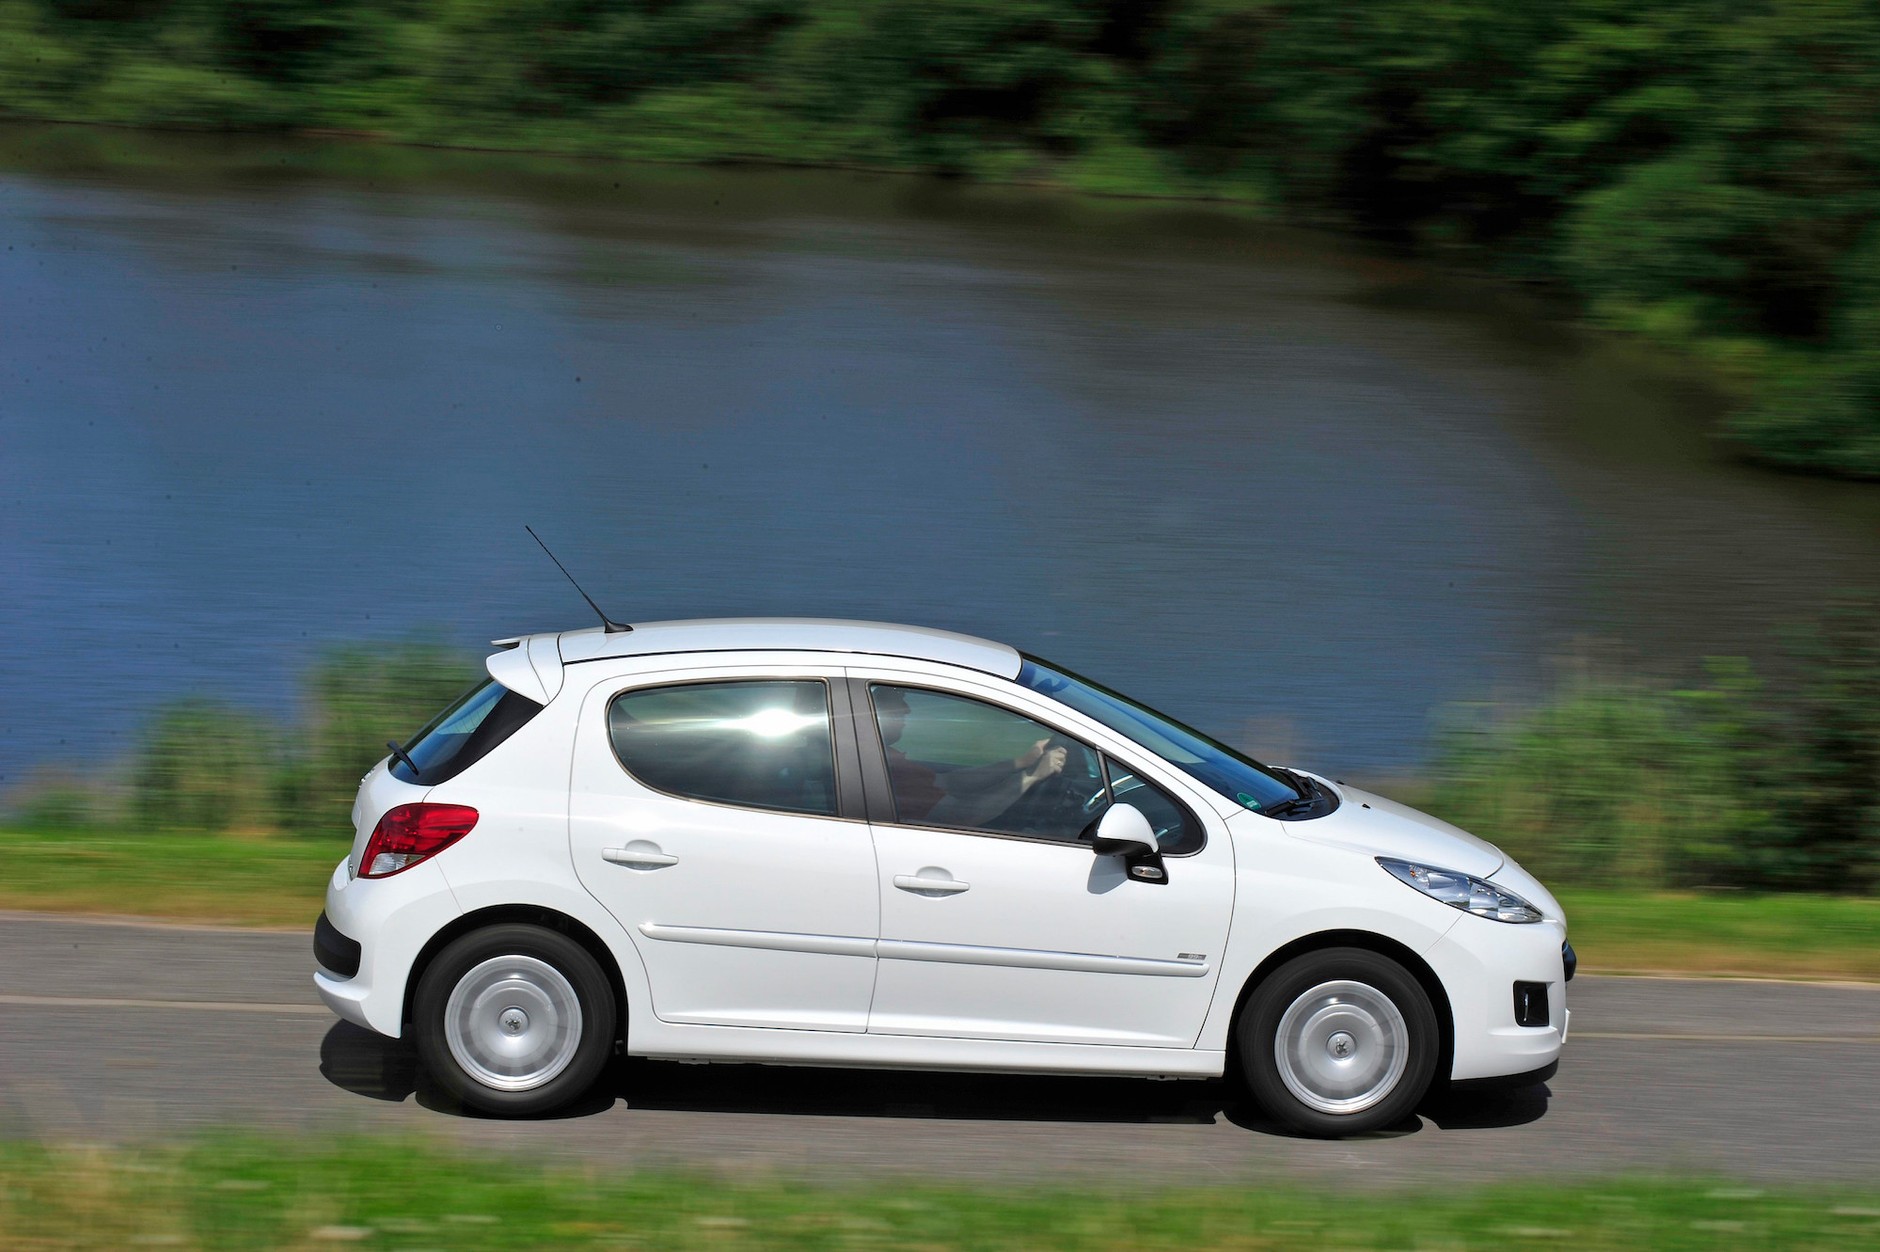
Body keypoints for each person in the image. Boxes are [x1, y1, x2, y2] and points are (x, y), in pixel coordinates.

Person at [873, 688, 1067, 827]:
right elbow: (961, 814)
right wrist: (1032, 776)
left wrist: (1023, 762)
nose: (907, 709)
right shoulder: (877, 767)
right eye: (894, 699)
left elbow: (949, 782)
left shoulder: (882, 758)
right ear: (874, 709)